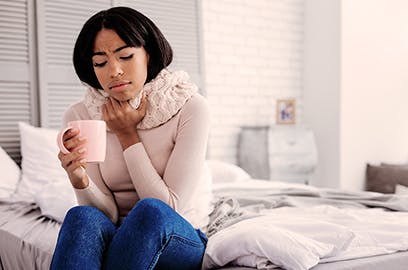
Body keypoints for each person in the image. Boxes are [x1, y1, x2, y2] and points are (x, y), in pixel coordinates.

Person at [51, 6, 212, 270]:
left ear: (148, 54)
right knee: (81, 217)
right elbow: (106, 215)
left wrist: (128, 135)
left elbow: (168, 208)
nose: (113, 71)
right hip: (116, 233)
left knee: (149, 212)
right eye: (100, 62)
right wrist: (80, 180)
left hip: (176, 234)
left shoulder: (191, 107)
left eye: (125, 56)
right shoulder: (81, 114)